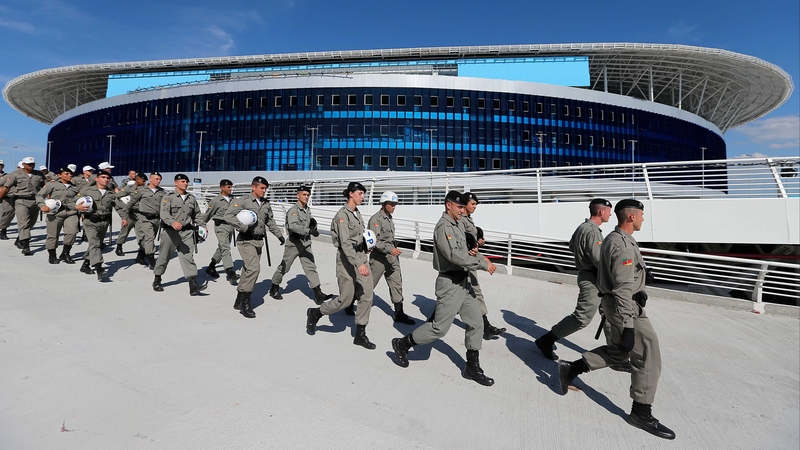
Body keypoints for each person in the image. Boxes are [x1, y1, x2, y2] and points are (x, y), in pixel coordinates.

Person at [557, 199, 675, 440]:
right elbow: (622, 288)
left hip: (618, 304)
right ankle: (641, 412)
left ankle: (571, 368)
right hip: (626, 308)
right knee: (648, 355)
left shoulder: (613, 237)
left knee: (620, 352)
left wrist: (641, 279)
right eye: (641, 215)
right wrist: (629, 326)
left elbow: (618, 274)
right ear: (631, 217)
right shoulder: (623, 245)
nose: (643, 219)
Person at [390, 191, 497, 386]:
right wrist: (482, 264)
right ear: (449, 205)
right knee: (439, 329)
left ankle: (472, 368)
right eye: (459, 207)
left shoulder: (458, 225)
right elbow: (454, 256)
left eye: (464, 207)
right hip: (450, 283)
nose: (463, 210)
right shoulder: (443, 227)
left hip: (464, 282)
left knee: (476, 323)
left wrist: (482, 258)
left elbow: (466, 251)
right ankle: (402, 344)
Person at [536, 198, 630, 371]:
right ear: (601, 212)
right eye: (609, 211)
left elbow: (572, 246)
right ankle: (546, 340)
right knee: (582, 317)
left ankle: (616, 356)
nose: (611, 214)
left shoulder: (582, 227)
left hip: (592, 277)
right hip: (594, 279)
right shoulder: (592, 230)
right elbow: (598, 259)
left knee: (609, 315)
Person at [306, 181, 376, 350]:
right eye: (360, 193)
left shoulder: (357, 213)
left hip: (360, 256)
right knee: (344, 301)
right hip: (347, 261)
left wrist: (366, 246)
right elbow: (345, 244)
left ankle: (360, 334)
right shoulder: (342, 216)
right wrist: (359, 263)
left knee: (367, 295)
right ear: (351, 194)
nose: (363, 196)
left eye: (363, 194)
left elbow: (359, 236)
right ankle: (315, 313)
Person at [223, 176, 285, 318]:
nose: (264, 191)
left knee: (247, 270)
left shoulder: (265, 204)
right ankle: (246, 302)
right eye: (261, 188)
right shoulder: (243, 201)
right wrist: (243, 227)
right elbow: (228, 216)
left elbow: (270, 221)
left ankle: (239, 298)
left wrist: (279, 235)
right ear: (253, 187)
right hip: (245, 241)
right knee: (254, 269)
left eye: (265, 188)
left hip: (258, 242)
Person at [268, 185, 332, 303]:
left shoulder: (307, 209)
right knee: (284, 267)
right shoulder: (293, 211)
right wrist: (309, 230)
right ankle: (274, 287)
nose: (306, 197)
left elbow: (308, 222)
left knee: (311, 268)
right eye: (304, 194)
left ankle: (318, 294)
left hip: (306, 243)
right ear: (298, 195)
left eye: (308, 195)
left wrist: (312, 225)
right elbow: (293, 226)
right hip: (294, 244)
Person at [151, 173, 208, 295]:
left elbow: (197, 214)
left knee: (188, 257)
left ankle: (193, 285)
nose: (185, 183)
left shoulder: (191, 198)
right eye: (182, 181)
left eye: (186, 181)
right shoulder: (169, 197)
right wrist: (172, 222)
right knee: (164, 256)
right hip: (171, 233)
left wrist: (202, 225)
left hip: (187, 232)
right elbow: (164, 213)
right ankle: (157, 278)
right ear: (176, 183)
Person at [462, 192, 506, 339]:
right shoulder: (460, 220)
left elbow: (471, 241)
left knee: (468, 292)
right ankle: (432, 324)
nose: (475, 207)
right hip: (465, 262)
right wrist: (484, 262)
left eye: (476, 204)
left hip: (470, 259)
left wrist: (479, 242)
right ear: (465, 204)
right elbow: (463, 245)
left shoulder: (468, 219)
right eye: (473, 204)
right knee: (464, 294)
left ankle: (485, 326)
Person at [368, 191, 415, 325]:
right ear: (384, 204)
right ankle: (349, 303)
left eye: (395, 204)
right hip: (379, 259)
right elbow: (374, 241)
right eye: (391, 204)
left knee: (396, 284)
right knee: (368, 284)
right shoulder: (375, 219)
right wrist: (390, 249)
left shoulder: (389, 218)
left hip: (392, 258)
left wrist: (392, 250)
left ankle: (399, 313)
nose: (394, 206)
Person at [76, 170, 128, 280]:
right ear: (97, 179)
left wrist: (123, 217)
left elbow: (118, 206)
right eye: (103, 177)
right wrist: (77, 207)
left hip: (104, 222)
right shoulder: (87, 190)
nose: (106, 179)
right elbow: (74, 201)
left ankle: (85, 264)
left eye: (107, 178)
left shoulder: (111, 193)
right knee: (95, 244)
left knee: (96, 245)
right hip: (90, 221)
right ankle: (99, 269)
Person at [0, 157, 47, 255]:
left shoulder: (39, 174)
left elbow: (46, 187)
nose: (31, 166)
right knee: (23, 222)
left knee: (32, 222)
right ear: (24, 165)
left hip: (35, 201)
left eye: (33, 164)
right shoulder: (15, 175)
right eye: (29, 164)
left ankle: (19, 239)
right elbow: (6, 187)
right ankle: (26, 246)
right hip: (21, 200)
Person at [36, 167, 81, 264]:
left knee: (72, 232)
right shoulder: (51, 184)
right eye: (67, 174)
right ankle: (52, 255)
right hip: (55, 213)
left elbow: (79, 199)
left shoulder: (75, 187)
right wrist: (42, 205)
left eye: (70, 174)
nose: (70, 175)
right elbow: (39, 195)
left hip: (71, 213)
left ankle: (65, 253)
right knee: (53, 235)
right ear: (59, 175)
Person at [203, 179, 240, 285]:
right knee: (226, 248)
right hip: (220, 226)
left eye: (231, 187)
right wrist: (202, 226)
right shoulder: (215, 201)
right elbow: (207, 214)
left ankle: (211, 267)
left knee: (222, 247)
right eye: (228, 187)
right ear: (222, 187)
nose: (230, 189)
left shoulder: (233, 199)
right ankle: (230, 273)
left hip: (230, 226)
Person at [128, 172, 166, 269]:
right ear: (151, 179)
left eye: (160, 179)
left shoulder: (162, 192)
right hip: (145, 218)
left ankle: (140, 255)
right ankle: (151, 259)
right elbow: (131, 202)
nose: (158, 181)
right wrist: (127, 214)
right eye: (156, 179)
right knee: (149, 238)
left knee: (149, 239)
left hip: (157, 219)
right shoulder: (141, 190)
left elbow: (165, 205)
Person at [114, 171, 143, 256]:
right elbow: (117, 197)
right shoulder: (126, 189)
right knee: (124, 231)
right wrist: (124, 208)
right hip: (129, 214)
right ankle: (119, 246)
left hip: (139, 213)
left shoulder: (142, 189)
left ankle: (142, 251)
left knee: (141, 233)